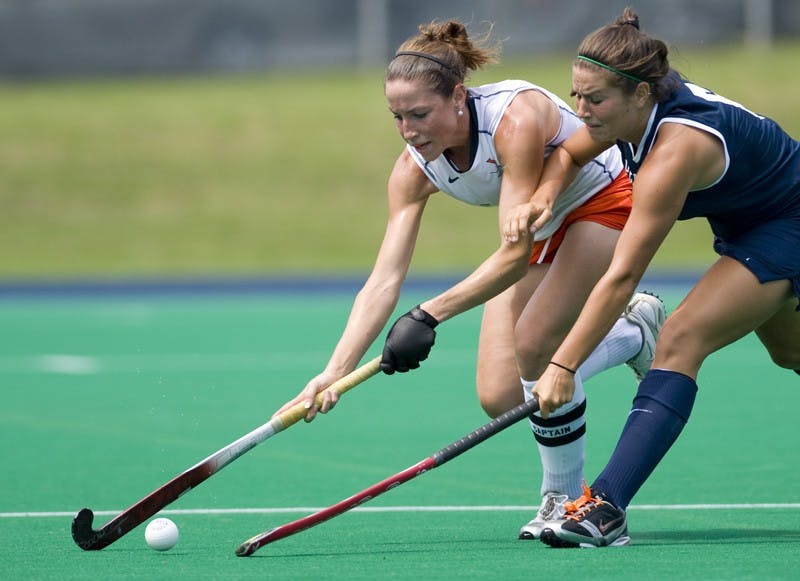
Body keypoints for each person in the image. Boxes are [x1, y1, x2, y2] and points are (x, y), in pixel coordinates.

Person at [274, 18, 665, 539]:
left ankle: (564, 500)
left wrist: (428, 314)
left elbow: (511, 255)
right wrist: (333, 372)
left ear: (458, 96)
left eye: (420, 114)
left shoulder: (513, 120)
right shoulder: (413, 169)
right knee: (502, 395)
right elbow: (384, 278)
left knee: (533, 346)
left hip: (605, 199)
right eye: (397, 117)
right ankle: (633, 331)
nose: (410, 130)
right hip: (542, 226)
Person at [502, 8, 800, 548]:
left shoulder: (675, 149)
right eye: (576, 95)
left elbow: (623, 276)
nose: (581, 111)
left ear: (641, 94)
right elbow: (569, 151)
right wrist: (544, 195)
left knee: (682, 338)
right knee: (793, 353)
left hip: (788, 222)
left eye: (595, 100)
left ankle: (605, 507)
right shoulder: (630, 112)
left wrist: (564, 364)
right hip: (749, 221)